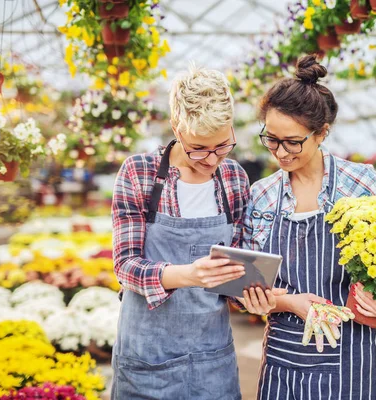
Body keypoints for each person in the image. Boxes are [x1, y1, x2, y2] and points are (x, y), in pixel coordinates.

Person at [245, 55, 376, 400]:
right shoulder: (261, 196)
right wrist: (288, 302)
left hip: (351, 356)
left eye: (293, 141)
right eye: (272, 139)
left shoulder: (361, 185)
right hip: (283, 358)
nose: (281, 152)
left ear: (322, 133)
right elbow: (246, 291)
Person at [111, 65, 279, 399]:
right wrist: (189, 274)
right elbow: (125, 266)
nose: (211, 159)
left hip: (211, 358)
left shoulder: (233, 177)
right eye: (198, 148)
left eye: (222, 146)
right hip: (146, 358)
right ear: (177, 127)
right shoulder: (138, 173)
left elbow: (237, 270)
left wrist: (251, 296)